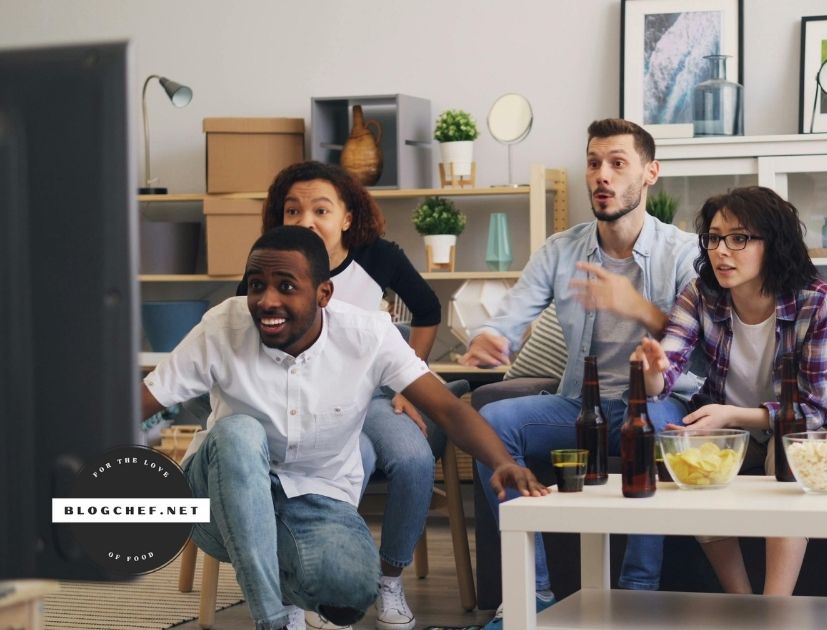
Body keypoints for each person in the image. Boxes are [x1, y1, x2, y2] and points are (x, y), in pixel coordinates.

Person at [141, 226, 546, 630]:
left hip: (316, 498)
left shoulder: (367, 334)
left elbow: (446, 409)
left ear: (323, 294)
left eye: (285, 286)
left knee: (349, 590)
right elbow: (142, 401)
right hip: (217, 498)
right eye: (256, 285)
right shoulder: (222, 327)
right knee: (238, 433)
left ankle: (285, 574)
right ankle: (274, 621)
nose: (266, 300)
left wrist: (501, 462)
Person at [460, 118, 698, 628]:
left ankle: (638, 595)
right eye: (594, 163)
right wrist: (495, 337)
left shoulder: (685, 252)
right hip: (580, 404)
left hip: (657, 402)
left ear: (650, 173)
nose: (602, 176)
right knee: (491, 426)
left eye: (617, 163)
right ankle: (534, 592)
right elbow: (515, 313)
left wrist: (637, 307)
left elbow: (705, 339)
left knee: (653, 427)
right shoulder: (560, 250)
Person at [247, 161, 444, 630]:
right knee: (334, 462)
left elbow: (428, 309)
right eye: (292, 211)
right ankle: (308, 586)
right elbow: (248, 338)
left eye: (320, 209)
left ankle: (387, 583)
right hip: (302, 401)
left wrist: (408, 384)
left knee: (415, 460)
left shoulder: (379, 256)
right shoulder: (268, 263)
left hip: (373, 394)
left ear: (347, 217)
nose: (306, 221)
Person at [632, 186, 827, 596]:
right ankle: (742, 602)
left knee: (788, 449)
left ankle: (774, 607)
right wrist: (651, 370)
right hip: (726, 424)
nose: (721, 251)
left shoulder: (816, 302)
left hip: (790, 426)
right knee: (685, 450)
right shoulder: (701, 294)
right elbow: (664, 379)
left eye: (739, 238)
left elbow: (814, 408)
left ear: (774, 244)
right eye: (714, 238)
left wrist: (732, 416)